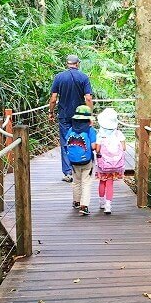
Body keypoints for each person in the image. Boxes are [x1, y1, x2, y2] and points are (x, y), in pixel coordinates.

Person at [49, 54, 93, 182]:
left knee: (65, 141)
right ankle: (82, 169)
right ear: (77, 64)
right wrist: (89, 114)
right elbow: (88, 98)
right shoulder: (84, 77)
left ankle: (68, 172)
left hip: (64, 115)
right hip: (80, 116)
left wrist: (51, 112)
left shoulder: (59, 77)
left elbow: (53, 99)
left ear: (67, 64)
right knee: (82, 139)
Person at [65, 105, 97, 215]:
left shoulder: (71, 130)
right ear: (89, 120)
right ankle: (84, 206)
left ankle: (76, 201)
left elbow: (67, 143)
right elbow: (93, 147)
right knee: (86, 182)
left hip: (73, 161)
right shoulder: (90, 130)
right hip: (87, 161)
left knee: (76, 181)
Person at [95, 108, 126, 215]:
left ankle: (101, 202)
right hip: (115, 164)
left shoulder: (100, 134)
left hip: (103, 164)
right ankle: (108, 205)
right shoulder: (119, 134)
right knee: (110, 183)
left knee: (102, 181)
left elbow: (97, 149)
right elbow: (124, 148)